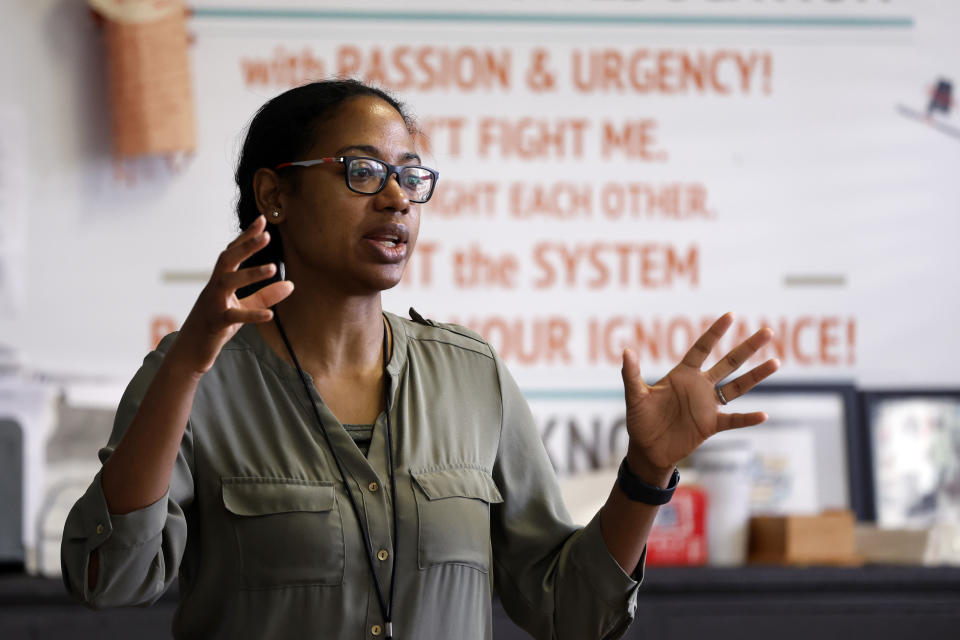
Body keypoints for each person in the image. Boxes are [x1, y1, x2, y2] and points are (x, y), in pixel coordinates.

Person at [61, 79, 779, 639]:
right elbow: (107, 578)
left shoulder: (471, 377)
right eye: (363, 172)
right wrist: (186, 367)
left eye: (411, 175)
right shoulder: (194, 375)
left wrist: (647, 474)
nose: (398, 197)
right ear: (274, 194)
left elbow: (572, 613)